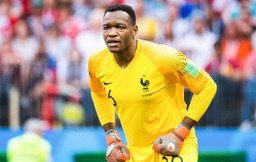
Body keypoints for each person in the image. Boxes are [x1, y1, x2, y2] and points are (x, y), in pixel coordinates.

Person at [88, 4, 217, 162]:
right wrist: (111, 135)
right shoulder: (96, 62)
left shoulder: (164, 57)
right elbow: (98, 93)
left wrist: (181, 133)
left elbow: (207, 86)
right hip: (135, 153)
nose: (112, 33)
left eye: (120, 27)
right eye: (106, 27)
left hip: (174, 147)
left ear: (134, 30)